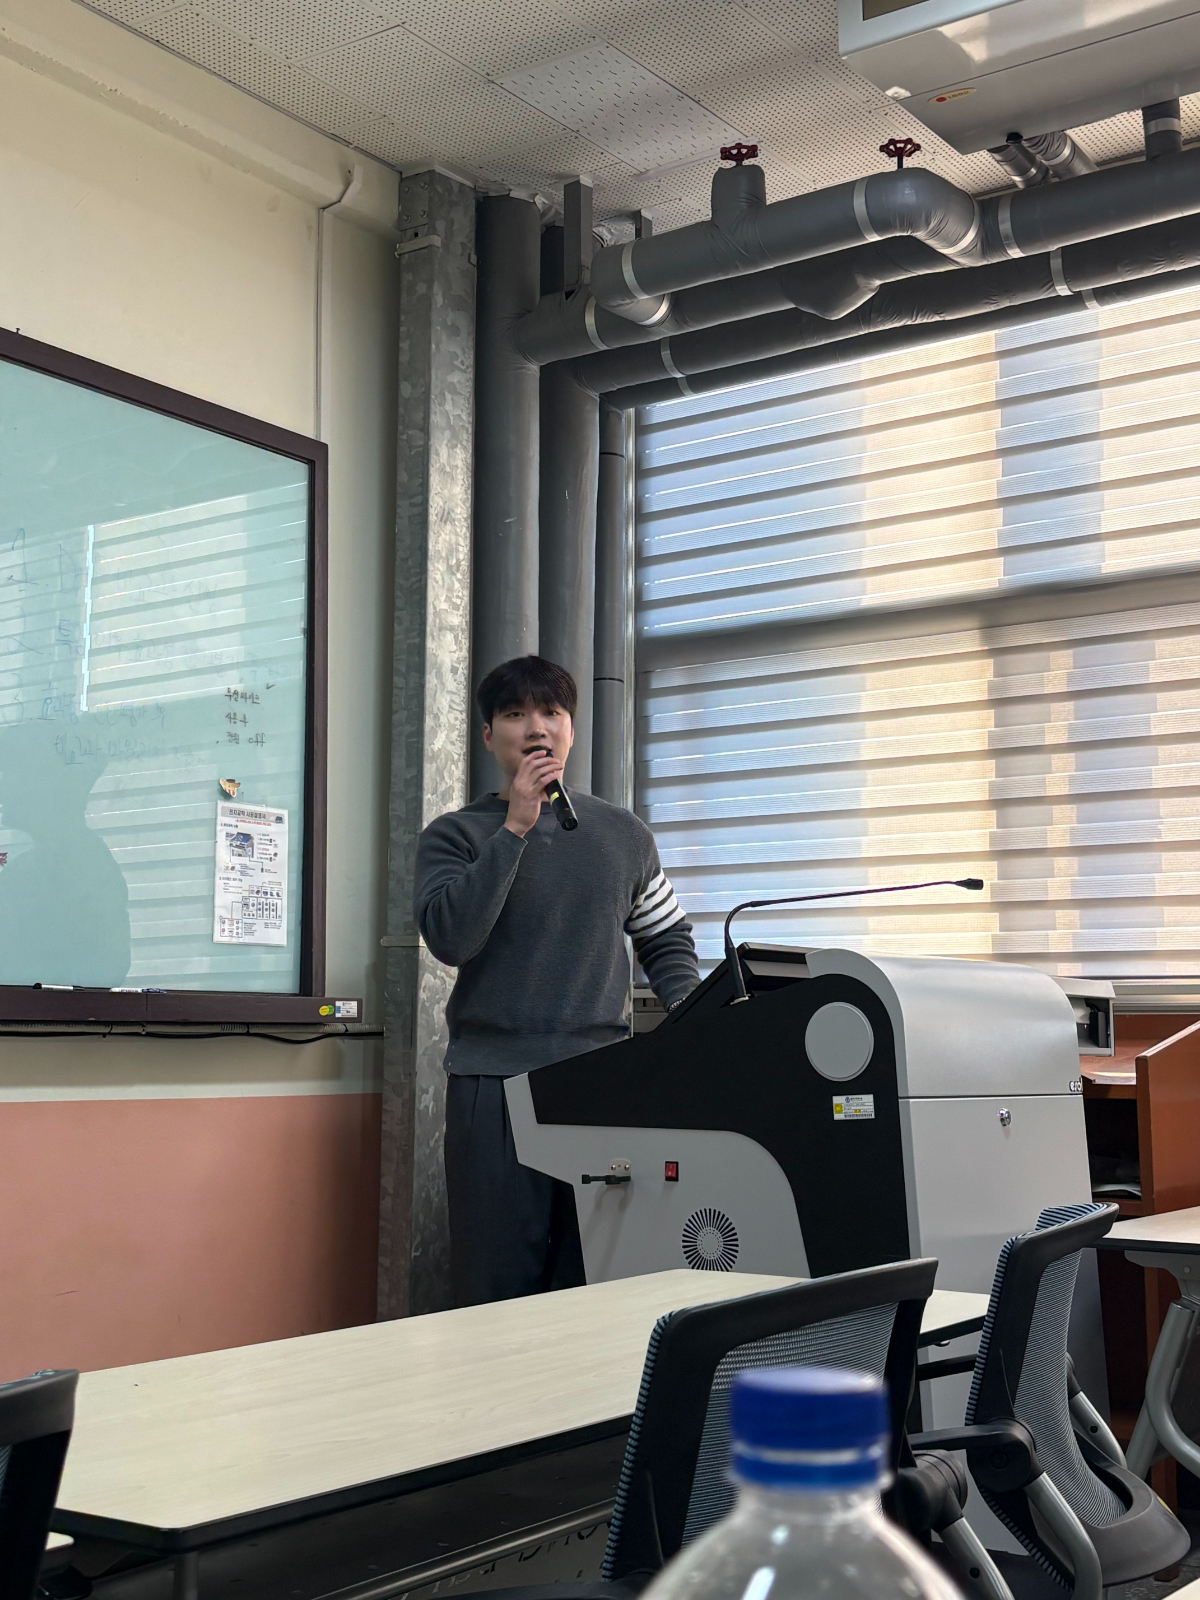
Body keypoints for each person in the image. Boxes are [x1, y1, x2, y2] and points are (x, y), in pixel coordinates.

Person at [414, 655, 699, 1307]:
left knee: (595, 1273)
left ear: (571, 730)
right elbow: (452, 939)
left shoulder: (623, 834)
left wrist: (690, 1009)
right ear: (489, 736)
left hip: (602, 1081)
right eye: (515, 714)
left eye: (551, 712)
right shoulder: (454, 836)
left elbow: (665, 936)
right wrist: (516, 827)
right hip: (494, 1084)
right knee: (497, 1282)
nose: (536, 727)